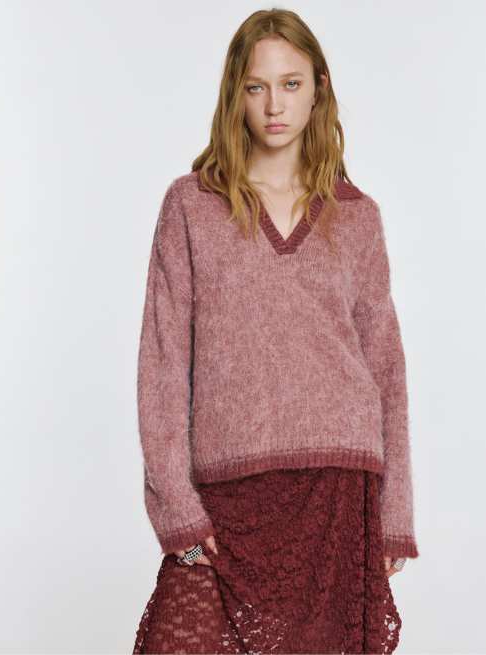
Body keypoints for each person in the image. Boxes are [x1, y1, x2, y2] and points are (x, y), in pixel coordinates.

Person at [132, 8, 419, 654]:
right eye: (256, 86)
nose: (273, 105)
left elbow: (386, 369)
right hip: (225, 495)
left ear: (318, 89)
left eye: (290, 84)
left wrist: (395, 513)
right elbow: (162, 361)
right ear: (234, 93)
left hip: (336, 490)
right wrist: (174, 503)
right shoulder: (191, 205)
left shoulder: (357, 217)